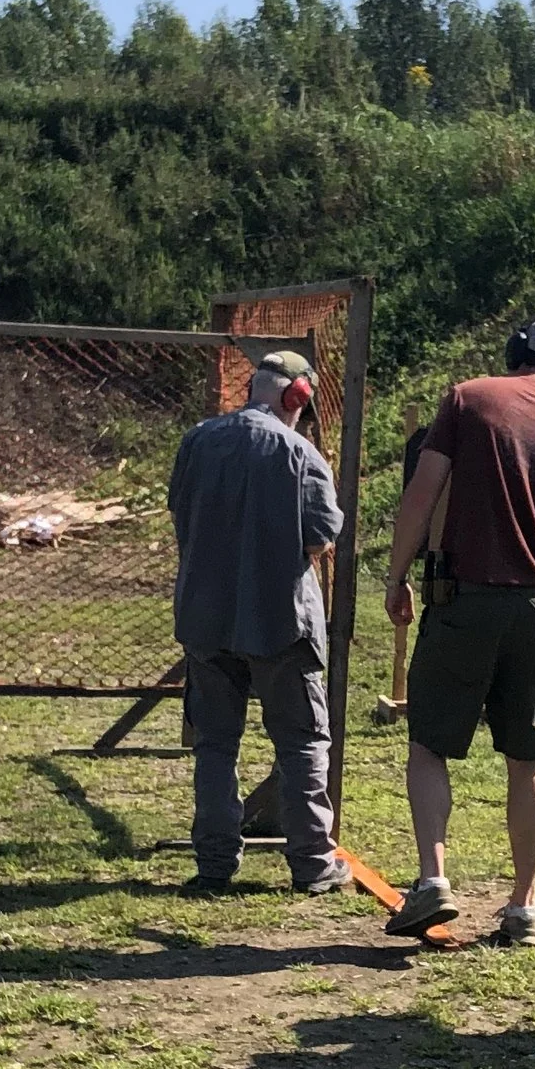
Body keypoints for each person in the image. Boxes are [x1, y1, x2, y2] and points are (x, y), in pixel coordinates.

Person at [382, 316, 535, 947]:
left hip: (465, 598)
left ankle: (433, 881)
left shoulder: (470, 398)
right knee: (527, 759)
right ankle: (524, 907)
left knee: (430, 743)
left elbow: (423, 494)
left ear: (515, 351)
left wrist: (396, 575)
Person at [167, 348, 350, 894]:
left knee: (215, 745)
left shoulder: (198, 441)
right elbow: (320, 536)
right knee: (301, 742)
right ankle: (313, 864)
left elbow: (181, 513)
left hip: (206, 619)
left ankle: (215, 864)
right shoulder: (302, 454)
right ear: (299, 398)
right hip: (280, 623)